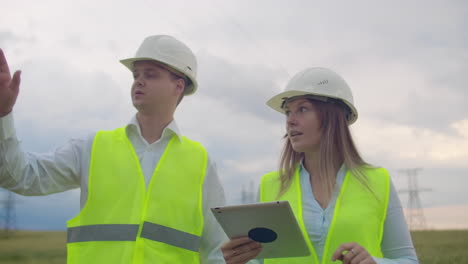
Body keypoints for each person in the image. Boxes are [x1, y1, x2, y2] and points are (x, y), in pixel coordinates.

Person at [0, 35, 226, 263]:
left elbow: (220, 249)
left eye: (151, 74)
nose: (138, 81)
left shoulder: (201, 163)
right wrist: (3, 115)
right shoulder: (92, 148)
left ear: (178, 86)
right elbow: (19, 176)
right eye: (136, 75)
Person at [221, 67, 419, 264]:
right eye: (288, 112)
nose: (290, 121)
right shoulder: (270, 185)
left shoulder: (377, 181)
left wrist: (375, 263)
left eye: (303, 109)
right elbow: (259, 261)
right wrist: (237, 261)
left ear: (334, 116)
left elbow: (408, 260)